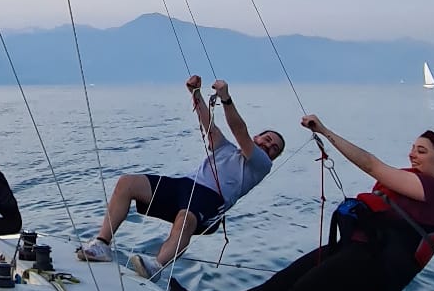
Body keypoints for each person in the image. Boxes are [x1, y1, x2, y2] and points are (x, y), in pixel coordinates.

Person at [170, 118, 434, 291]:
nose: (412, 156)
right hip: (357, 249)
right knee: (283, 281)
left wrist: (325, 131)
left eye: (421, 151)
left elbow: (372, 165)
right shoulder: (429, 188)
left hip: (372, 264)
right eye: (413, 149)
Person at [77, 77, 284, 275]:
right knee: (127, 183)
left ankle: (156, 266)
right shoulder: (226, 148)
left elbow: (240, 130)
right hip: (185, 186)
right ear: (257, 137)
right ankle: (102, 244)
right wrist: (195, 93)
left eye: (274, 148)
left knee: (186, 218)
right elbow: (209, 125)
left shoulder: (262, 165)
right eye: (267, 139)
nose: (269, 146)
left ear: (273, 157)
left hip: (212, 200)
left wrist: (226, 99)